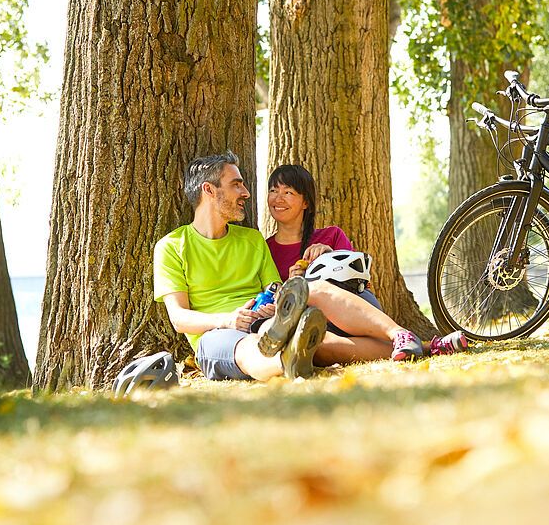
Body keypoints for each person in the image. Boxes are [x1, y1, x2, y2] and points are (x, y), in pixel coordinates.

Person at [153, 152, 466, 383]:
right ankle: (289, 358)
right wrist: (228, 319)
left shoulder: (251, 240)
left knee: (308, 294)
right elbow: (179, 318)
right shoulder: (172, 246)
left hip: (268, 322)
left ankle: (399, 334)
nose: (246, 194)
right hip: (219, 333)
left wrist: (271, 303)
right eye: (236, 185)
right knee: (272, 344)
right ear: (209, 190)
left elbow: (274, 289)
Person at [266, 164, 381, 310]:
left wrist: (331, 257)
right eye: (273, 191)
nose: (278, 199)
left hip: (346, 313)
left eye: (288, 192)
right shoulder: (265, 250)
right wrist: (292, 285)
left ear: (306, 202)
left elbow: (361, 284)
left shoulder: (332, 235)